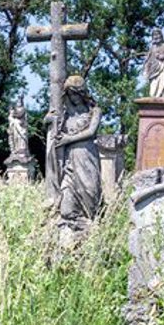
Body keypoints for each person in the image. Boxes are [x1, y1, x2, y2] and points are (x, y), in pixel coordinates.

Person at [54, 75, 102, 231]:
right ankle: (73, 231)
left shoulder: (94, 111)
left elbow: (91, 132)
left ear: (82, 93)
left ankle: (93, 229)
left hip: (87, 156)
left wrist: (69, 139)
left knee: (90, 193)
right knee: (66, 208)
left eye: (75, 93)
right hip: (70, 161)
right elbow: (53, 130)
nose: (73, 97)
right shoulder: (66, 115)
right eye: (70, 94)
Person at [143, 29, 164, 99]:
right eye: (154, 35)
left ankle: (162, 100)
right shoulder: (152, 48)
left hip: (163, 68)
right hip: (153, 72)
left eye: (157, 34)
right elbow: (147, 60)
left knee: (163, 85)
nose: (156, 37)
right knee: (153, 91)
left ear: (161, 35)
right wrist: (146, 71)